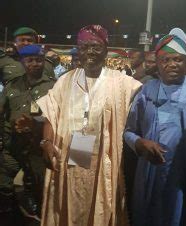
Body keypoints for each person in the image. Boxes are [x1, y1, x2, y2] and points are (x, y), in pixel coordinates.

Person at [37, 25, 141, 226]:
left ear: (106, 49)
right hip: (68, 160)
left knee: (100, 206)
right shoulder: (65, 81)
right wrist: (47, 141)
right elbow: (50, 112)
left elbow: (143, 100)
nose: (90, 52)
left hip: (103, 162)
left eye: (95, 46)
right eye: (84, 47)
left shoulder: (122, 83)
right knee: (70, 207)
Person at [124, 32, 186, 226]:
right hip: (151, 173)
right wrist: (140, 143)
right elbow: (129, 132)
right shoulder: (146, 91)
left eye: (178, 59)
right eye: (165, 60)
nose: (172, 64)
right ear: (157, 62)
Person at [0, 44, 55, 223]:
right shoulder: (12, 85)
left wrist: (34, 125)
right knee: (4, 187)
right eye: (29, 60)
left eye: (38, 60)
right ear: (22, 62)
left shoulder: (53, 87)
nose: (35, 64)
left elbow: (56, 118)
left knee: (40, 189)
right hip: (12, 147)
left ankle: (40, 217)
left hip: (37, 149)